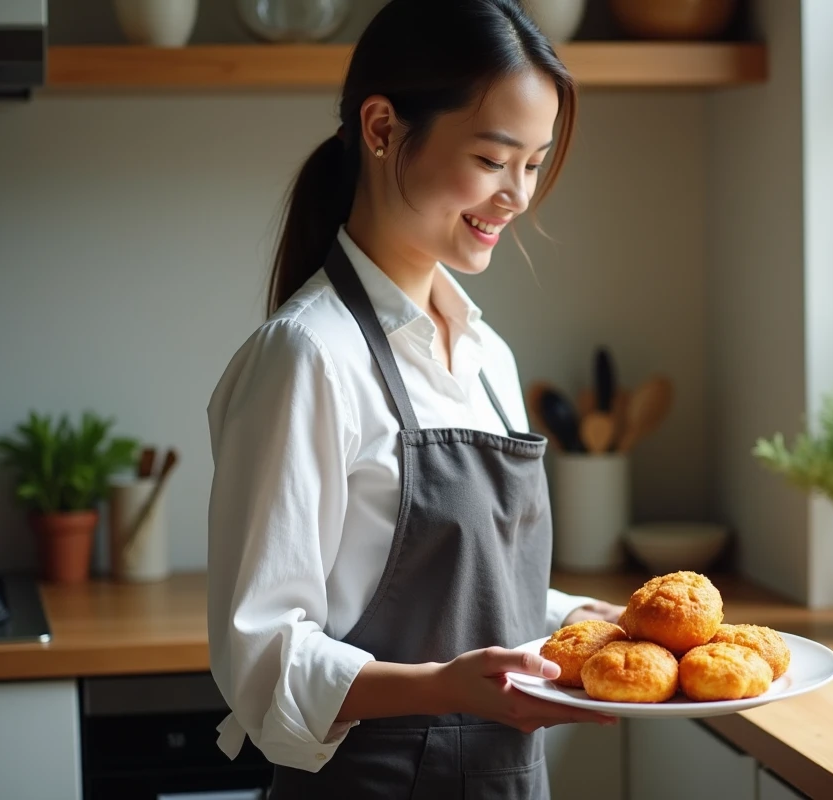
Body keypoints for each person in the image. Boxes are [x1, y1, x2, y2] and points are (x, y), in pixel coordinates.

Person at [205, 1, 625, 797]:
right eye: (494, 158)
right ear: (381, 127)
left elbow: (473, 594)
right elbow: (263, 660)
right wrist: (439, 688)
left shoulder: (486, 356)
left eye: (533, 164)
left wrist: (567, 620)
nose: (519, 196)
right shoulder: (308, 358)